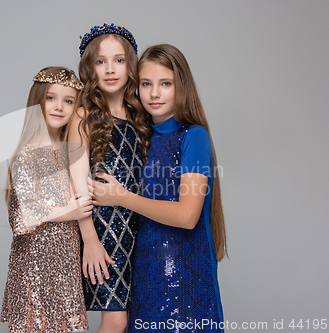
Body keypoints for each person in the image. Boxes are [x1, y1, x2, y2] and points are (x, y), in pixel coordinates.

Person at [91, 44, 227, 332]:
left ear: (181, 87)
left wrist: (122, 197)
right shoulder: (140, 137)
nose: (154, 93)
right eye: (146, 84)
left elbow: (187, 215)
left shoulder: (194, 137)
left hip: (187, 279)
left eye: (165, 84)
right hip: (143, 276)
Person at [68, 24, 152, 333]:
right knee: (115, 319)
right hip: (104, 231)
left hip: (139, 227)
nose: (110, 69)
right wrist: (89, 241)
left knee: (133, 318)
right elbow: (77, 184)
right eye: (100, 61)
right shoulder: (83, 116)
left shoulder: (141, 115)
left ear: (130, 64)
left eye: (118, 60)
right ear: (90, 67)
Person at [0, 67, 91, 333]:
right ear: (37, 100)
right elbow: (22, 217)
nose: (59, 107)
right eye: (51, 98)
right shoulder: (28, 152)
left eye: (68, 101)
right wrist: (70, 210)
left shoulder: (67, 152)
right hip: (36, 263)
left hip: (65, 261)